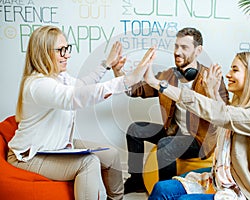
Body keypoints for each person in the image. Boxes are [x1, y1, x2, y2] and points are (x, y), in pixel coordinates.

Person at [7, 25, 155, 200]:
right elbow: (75, 97)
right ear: (44, 53)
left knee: (112, 155)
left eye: (67, 48)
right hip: (31, 156)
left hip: (58, 145)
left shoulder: (59, 77)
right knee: (88, 162)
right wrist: (127, 81)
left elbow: (82, 85)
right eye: (61, 50)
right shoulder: (38, 85)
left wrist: (106, 64)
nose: (67, 54)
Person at [145, 52, 250, 199]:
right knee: (161, 188)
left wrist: (157, 84)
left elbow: (223, 115)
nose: (228, 75)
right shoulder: (242, 108)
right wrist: (212, 92)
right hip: (219, 180)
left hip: (240, 192)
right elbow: (226, 115)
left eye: (235, 70)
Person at [113, 27, 229, 194]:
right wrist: (118, 70)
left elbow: (224, 114)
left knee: (166, 144)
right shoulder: (169, 75)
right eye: (176, 46)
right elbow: (135, 90)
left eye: (184, 47)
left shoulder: (211, 78)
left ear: (198, 51)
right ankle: (137, 181)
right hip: (174, 131)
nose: (177, 52)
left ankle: (166, 192)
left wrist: (212, 92)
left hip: (199, 140)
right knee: (135, 130)